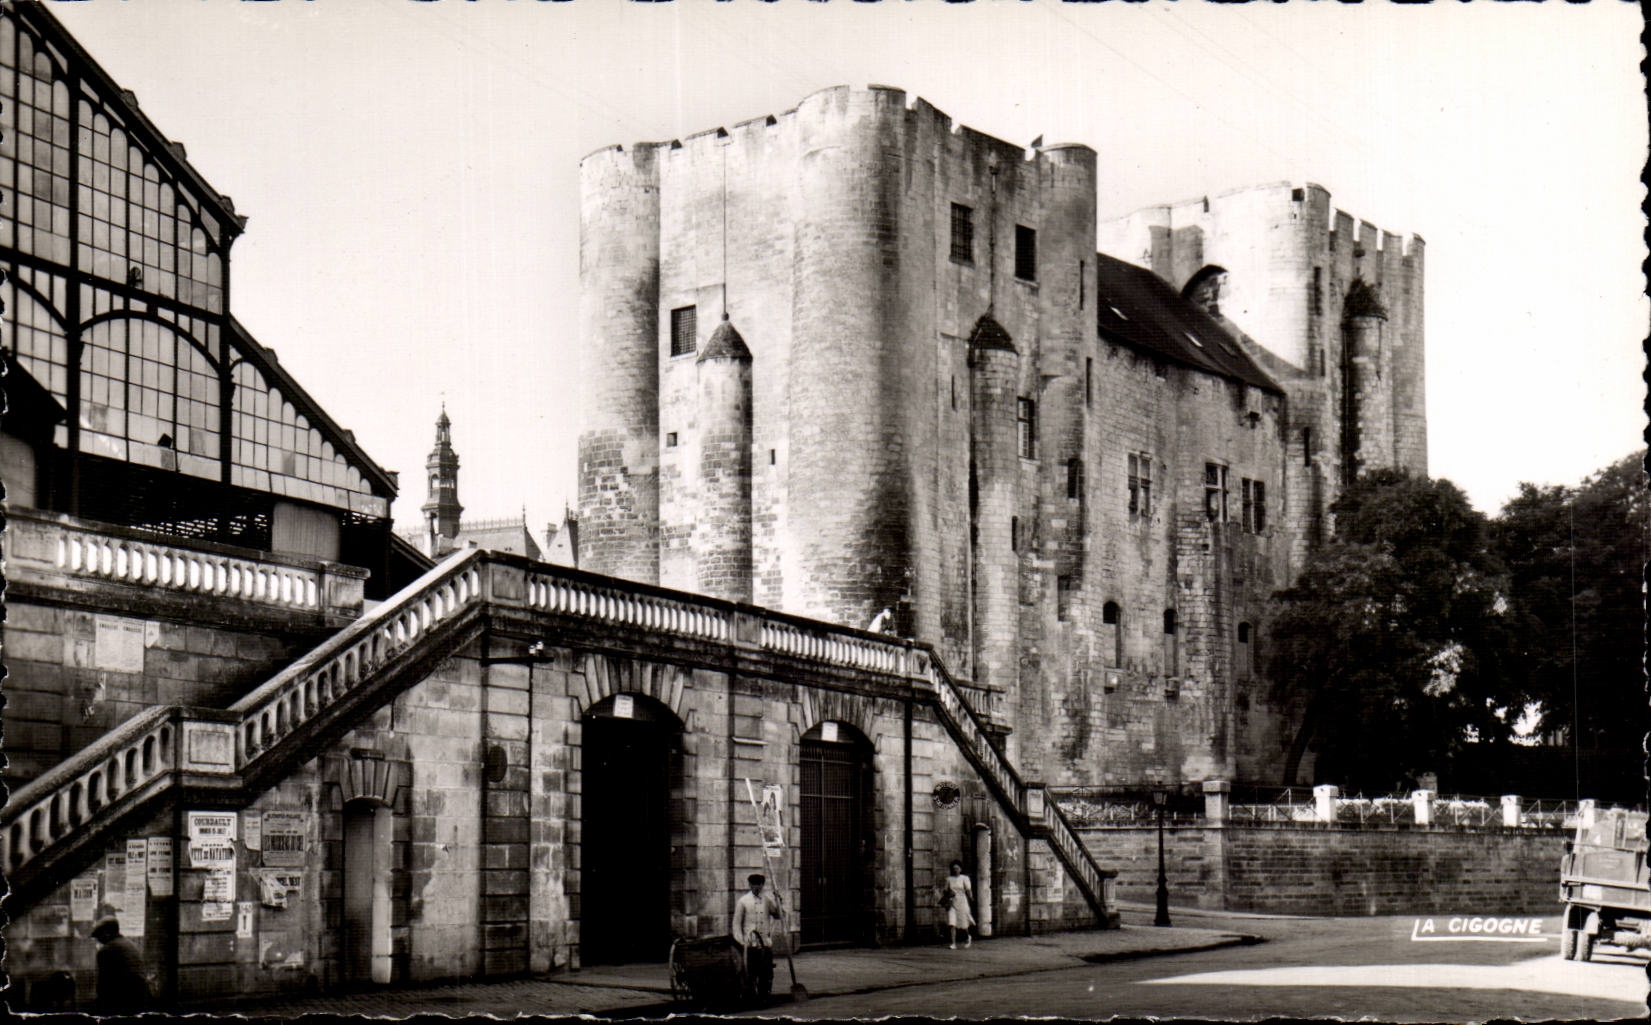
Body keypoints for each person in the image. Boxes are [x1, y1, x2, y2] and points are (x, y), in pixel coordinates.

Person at [732, 873, 783, 1000]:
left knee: (766, 973)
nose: (757, 887)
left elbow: (778, 915)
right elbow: (736, 924)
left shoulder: (766, 900)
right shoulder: (743, 901)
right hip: (750, 945)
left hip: (765, 943)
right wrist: (742, 942)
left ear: (762, 885)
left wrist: (779, 900)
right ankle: (750, 997)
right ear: (749, 885)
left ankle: (764, 996)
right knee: (750, 973)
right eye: (754, 884)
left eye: (759, 885)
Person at [91, 915, 151, 1013]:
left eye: (99, 936)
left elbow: (104, 984)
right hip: (141, 998)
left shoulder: (106, 951)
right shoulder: (130, 944)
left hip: (122, 1001)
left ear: (107, 933)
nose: (98, 940)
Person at [940, 860, 975, 950]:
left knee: (964, 922)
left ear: (960, 869)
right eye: (954, 868)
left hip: (962, 901)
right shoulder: (949, 879)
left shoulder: (964, 878)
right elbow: (945, 891)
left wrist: (971, 897)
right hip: (952, 902)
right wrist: (948, 893)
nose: (955, 870)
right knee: (952, 923)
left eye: (957, 868)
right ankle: (953, 943)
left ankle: (968, 937)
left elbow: (968, 890)